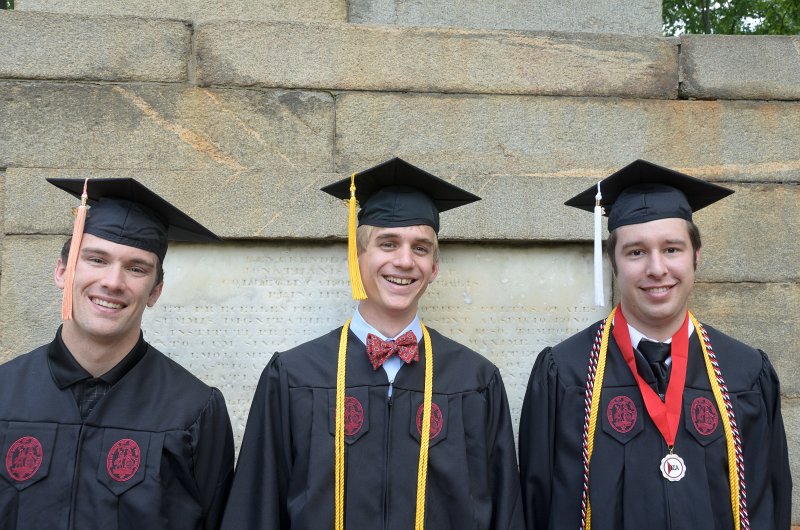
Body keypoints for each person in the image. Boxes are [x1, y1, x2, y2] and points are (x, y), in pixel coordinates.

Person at [221, 157, 524, 530]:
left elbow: (505, 513)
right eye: (388, 244)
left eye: (421, 248)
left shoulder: (474, 381)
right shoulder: (294, 376)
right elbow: (256, 508)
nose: (404, 261)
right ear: (358, 255)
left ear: (434, 267)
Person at [518, 159, 791, 529]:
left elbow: (770, 502)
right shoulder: (565, 374)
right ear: (613, 263)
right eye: (636, 252)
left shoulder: (746, 373)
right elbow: (536, 507)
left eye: (672, 249)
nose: (657, 268)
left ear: (696, 256)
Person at [0, 178, 235, 530]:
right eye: (97, 259)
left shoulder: (195, 411)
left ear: (155, 292)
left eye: (136, 268)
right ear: (63, 271)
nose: (113, 282)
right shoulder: (4, 393)